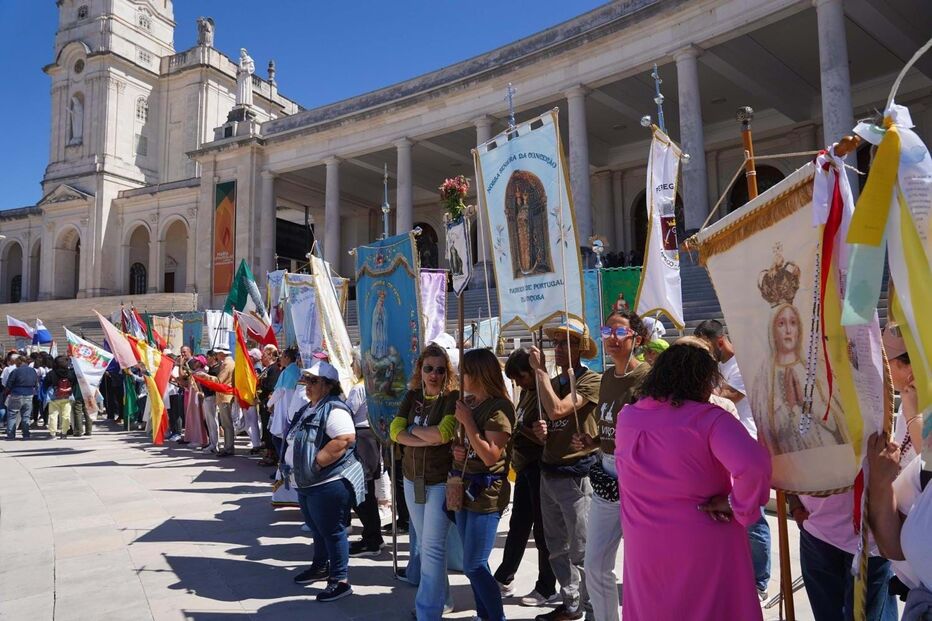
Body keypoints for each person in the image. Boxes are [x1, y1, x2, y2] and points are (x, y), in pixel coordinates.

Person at [614, 341, 771, 620]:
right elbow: (754, 465)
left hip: (645, 544)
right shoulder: (709, 419)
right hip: (703, 540)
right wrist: (739, 505)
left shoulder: (628, 417)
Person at [571, 310, 650, 621]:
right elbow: (609, 428)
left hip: (637, 477)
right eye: (607, 332)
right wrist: (592, 442)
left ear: (638, 339)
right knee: (595, 565)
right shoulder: (606, 376)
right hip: (605, 474)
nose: (611, 339)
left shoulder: (647, 379)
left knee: (639, 566)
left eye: (619, 334)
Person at [529, 317, 602, 621]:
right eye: (556, 342)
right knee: (555, 545)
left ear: (581, 348)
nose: (558, 348)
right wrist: (540, 431)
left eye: (566, 342)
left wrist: (539, 372)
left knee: (582, 548)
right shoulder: (555, 382)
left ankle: (594, 606)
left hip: (577, 472)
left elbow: (560, 408)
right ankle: (571, 603)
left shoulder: (590, 379)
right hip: (550, 469)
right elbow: (548, 418)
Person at [694, 319, 771, 601]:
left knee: (754, 518)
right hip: (720, 447)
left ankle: (759, 580)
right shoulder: (717, 367)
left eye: (705, 345)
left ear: (719, 342)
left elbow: (728, 395)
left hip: (745, 443)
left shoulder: (741, 365)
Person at [390, 343, 459, 620]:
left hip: (439, 481)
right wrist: (421, 436)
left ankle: (427, 610)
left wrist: (413, 430)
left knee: (432, 547)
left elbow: (444, 434)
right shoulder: (412, 396)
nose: (434, 374)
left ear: (447, 373)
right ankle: (443, 599)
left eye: (440, 370)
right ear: (420, 369)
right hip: (411, 479)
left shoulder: (453, 398)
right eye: (428, 368)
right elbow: (395, 431)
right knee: (427, 546)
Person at [289, 361, 366, 603]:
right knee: (317, 528)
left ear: (328, 385)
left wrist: (317, 463)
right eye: (306, 380)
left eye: (314, 381)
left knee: (332, 531)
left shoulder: (334, 408)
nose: (308, 385)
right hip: (308, 483)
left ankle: (340, 580)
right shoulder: (311, 407)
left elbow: (345, 439)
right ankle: (321, 566)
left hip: (327, 482)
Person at [451, 348, 515, 621]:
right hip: (465, 488)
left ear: (478, 374)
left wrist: (468, 424)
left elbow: (491, 455)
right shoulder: (471, 403)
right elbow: (471, 447)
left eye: (464, 371)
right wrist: (459, 450)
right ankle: (483, 615)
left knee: (474, 565)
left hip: (486, 494)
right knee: (476, 563)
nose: (459, 375)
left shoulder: (499, 408)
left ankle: (496, 617)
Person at [493, 348, 558, 607]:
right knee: (519, 526)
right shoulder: (527, 395)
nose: (518, 383)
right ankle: (504, 575)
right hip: (524, 468)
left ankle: (547, 586)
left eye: (520, 377)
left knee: (543, 532)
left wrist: (522, 431)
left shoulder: (545, 394)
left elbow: (548, 439)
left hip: (540, 467)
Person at [346, 349, 384, 557]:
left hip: (362, 436)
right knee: (366, 490)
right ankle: (373, 535)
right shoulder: (374, 386)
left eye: (353, 362)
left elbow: (346, 411)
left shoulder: (359, 388)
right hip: (370, 436)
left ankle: (372, 538)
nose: (351, 365)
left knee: (361, 491)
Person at [257, 345, 282, 466]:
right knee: (266, 428)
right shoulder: (267, 369)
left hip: (269, 403)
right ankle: (268, 452)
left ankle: (271, 454)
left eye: (264, 355)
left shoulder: (274, 369)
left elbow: (271, 386)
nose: (262, 357)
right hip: (263, 402)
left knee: (269, 428)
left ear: (271, 355)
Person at [5, 354, 38, 439]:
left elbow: (9, 384)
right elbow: (36, 383)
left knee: (12, 414)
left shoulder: (15, 371)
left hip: (16, 393)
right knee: (26, 416)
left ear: (18, 363)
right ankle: (26, 434)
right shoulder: (33, 371)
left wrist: (5, 393)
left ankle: (11, 435)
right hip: (29, 394)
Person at [45, 356, 77, 439]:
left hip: (54, 397)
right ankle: (64, 433)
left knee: (53, 415)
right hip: (67, 397)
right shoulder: (70, 373)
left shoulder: (51, 373)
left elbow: (46, 384)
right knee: (66, 415)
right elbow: (74, 383)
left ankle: (52, 433)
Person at [213, 347, 236, 456]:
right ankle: (228, 446)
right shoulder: (229, 362)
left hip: (225, 395)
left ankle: (229, 447)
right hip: (225, 395)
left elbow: (220, 380)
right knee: (226, 423)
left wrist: (205, 377)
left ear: (222, 354)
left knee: (227, 423)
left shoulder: (227, 364)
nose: (216, 355)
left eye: (217, 353)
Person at [183, 355, 208, 446]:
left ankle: (200, 439)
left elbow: (200, 386)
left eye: (197, 361)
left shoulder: (200, 372)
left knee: (199, 418)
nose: (194, 362)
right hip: (193, 397)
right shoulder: (196, 372)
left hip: (198, 398)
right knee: (194, 417)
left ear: (200, 363)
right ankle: (195, 438)